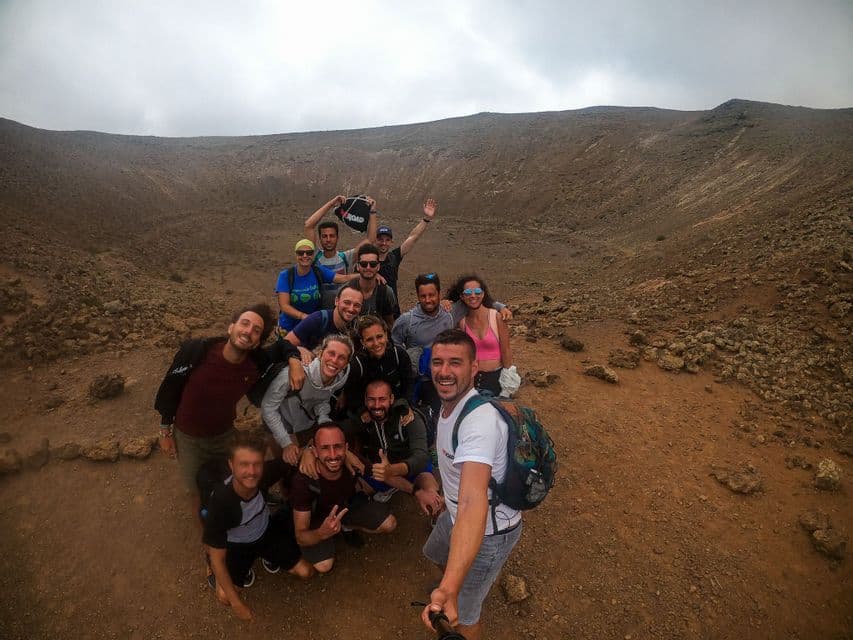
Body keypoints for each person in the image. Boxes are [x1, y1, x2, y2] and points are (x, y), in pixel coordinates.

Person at [154, 303, 303, 520]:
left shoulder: (255, 362)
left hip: (224, 435)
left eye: (256, 330)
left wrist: (295, 361)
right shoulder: (196, 351)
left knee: (238, 477)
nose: (248, 332)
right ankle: (209, 540)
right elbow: (170, 389)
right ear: (231, 327)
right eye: (245, 323)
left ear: (257, 343)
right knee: (195, 491)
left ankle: (252, 502)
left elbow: (283, 346)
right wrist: (165, 431)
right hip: (189, 438)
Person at [421, 330, 522, 640]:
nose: (444, 371)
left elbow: (472, 502)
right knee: (434, 552)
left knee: (464, 615)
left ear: (474, 368)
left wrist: (450, 589)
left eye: (455, 362)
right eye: (438, 362)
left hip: (490, 531)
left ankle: (460, 590)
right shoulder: (450, 402)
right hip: (452, 514)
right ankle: (458, 579)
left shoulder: (479, 424)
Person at [203, 431, 314, 622]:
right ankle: (209, 566)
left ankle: (267, 556)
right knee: (225, 597)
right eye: (243, 465)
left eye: (257, 464)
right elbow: (218, 559)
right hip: (237, 547)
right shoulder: (221, 502)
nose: (252, 471)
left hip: (266, 531)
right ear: (231, 465)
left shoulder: (264, 473)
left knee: (306, 572)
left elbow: (296, 455)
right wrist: (238, 604)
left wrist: (309, 450)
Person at [391, 274, 511, 414]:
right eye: (423, 296)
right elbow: (395, 348)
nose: (428, 300)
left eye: (432, 295)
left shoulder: (450, 312)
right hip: (423, 381)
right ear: (417, 296)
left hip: (449, 376)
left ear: (439, 294)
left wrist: (501, 307)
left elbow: (475, 299)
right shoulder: (406, 321)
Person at [290, 423, 397, 573]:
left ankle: (345, 527)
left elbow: (382, 475)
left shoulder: (352, 460)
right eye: (325, 448)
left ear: (346, 448)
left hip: (346, 507)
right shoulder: (303, 480)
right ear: (314, 451)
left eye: (338, 447)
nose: (333, 455)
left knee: (389, 523)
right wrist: (321, 533)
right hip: (317, 521)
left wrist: (416, 490)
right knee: (324, 566)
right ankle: (331, 533)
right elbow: (301, 535)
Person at [261, 334, 353, 465]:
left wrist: (323, 417)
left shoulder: (339, 379)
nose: (334, 360)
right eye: (331, 353)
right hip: (280, 426)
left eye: (341, 357)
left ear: (346, 364)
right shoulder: (291, 374)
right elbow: (268, 408)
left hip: (306, 425)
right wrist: (286, 442)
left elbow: (322, 399)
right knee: (284, 465)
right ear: (320, 354)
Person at [354, 379, 443, 514]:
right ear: (365, 400)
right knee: (354, 492)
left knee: (433, 496)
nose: (377, 405)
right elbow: (340, 432)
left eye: (382, 399)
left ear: (391, 399)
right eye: (372, 400)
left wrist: (392, 470)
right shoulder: (363, 419)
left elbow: (420, 457)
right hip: (379, 471)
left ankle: (437, 523)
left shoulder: (407, 417)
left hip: (407, 468)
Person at [304, 194, 378, 308]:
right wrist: (331, 204)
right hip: (319, 310)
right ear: (320, 238)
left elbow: (371, 239)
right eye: (324, 236)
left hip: (343, 310)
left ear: (337, 237)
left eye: (332, 236)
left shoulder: (346, 257)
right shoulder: (314, 257)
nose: (328, 240)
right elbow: (309, 225)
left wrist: (372, 212)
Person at [274, 239, 359, 334]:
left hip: (311, 326)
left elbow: (343, 278)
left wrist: (366, 274)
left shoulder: (317, 271)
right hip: (289, 327)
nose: (305, 256)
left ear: (313, 255)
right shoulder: (286, 276)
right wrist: (304, 316)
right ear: (296, 255)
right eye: (300, 253)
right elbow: (284, 306)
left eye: (309, 253)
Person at [447, 275, 513, 397]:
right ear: (462, 296)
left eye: (477, 291)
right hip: (472, 379)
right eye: (467, 292)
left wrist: (508, 382)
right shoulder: (462, 322)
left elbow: (506, 350)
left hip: (496, 379)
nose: (473, 296)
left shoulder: (496, 317)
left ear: (483, 294)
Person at [376, 198, 437, 317]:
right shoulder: (367, 260)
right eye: (380, 239)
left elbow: (413, 237)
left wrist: (426, 219)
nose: (384, 243)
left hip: (392, 310)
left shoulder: (394, 257)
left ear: (391, 242)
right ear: (375, 240)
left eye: (387, 240)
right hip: (372, 309)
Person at [341, 315, 413, 416]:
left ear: (386, 335)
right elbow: (351, 394)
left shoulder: (399, 355)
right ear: (363, 342)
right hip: (368, 410)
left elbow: (409, 382)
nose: (376, 343)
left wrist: (407, 405)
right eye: (370, 340)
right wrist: (362, 411)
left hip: (396, 406)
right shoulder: (357, 364)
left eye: (379, 337)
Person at [285, 284, 364, 362]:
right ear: (336, 301)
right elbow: (284, 343)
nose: (351, 309)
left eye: (357, 305)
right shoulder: (318, 320)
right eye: (347, 302)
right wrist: (299, 349)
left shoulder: (357, 328)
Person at [353, 243, 397, 327]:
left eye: (373, 264)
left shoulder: (386, 292)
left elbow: (390, 323)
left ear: (378, 266)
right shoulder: (348, 290)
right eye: (364, 264)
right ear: (358, 266)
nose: (368, 267)